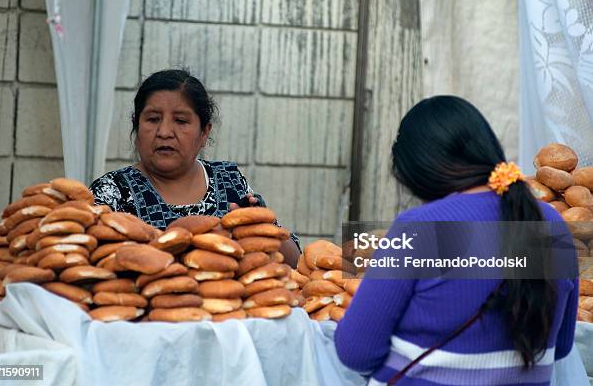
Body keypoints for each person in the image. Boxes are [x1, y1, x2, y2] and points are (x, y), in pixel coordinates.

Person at [335, 96, 578, 385]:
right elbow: (560, 345)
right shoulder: (554, 226)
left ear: (422, 172)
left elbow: (355, 352)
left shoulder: (417, 228)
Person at [90, 69, 300, 267]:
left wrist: (262, 227)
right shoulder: (112, 193)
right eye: (153, 119)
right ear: (136, 127)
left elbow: (296, 261)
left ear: (204, 132)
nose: (164, 132)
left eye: (181, 121)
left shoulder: (230, 180)